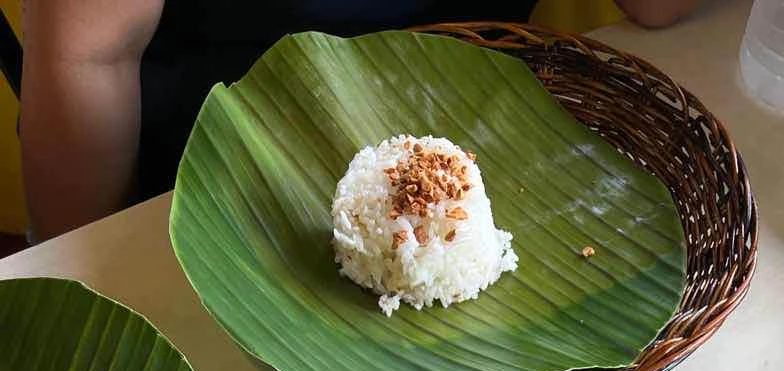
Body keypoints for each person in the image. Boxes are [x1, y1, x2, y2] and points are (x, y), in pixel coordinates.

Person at [20, 0, 700, 241]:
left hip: (489, 191)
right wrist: (84, 274)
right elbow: (86, 56)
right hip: (216, 203)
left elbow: (660, 9)